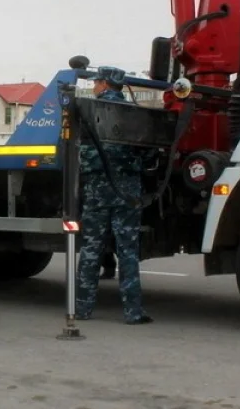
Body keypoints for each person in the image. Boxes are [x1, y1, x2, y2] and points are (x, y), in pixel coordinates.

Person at [75, 66, 152, 324]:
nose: (95, 86)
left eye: (97, 82)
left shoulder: (89, 111)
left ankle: (82, 309)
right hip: (127, 189)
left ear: (106, 84)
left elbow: (79, 150)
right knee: (128, 250)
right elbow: (149, 153)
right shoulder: (134, 114)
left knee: (91, 249)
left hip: (97, 188)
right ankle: (133, 312)